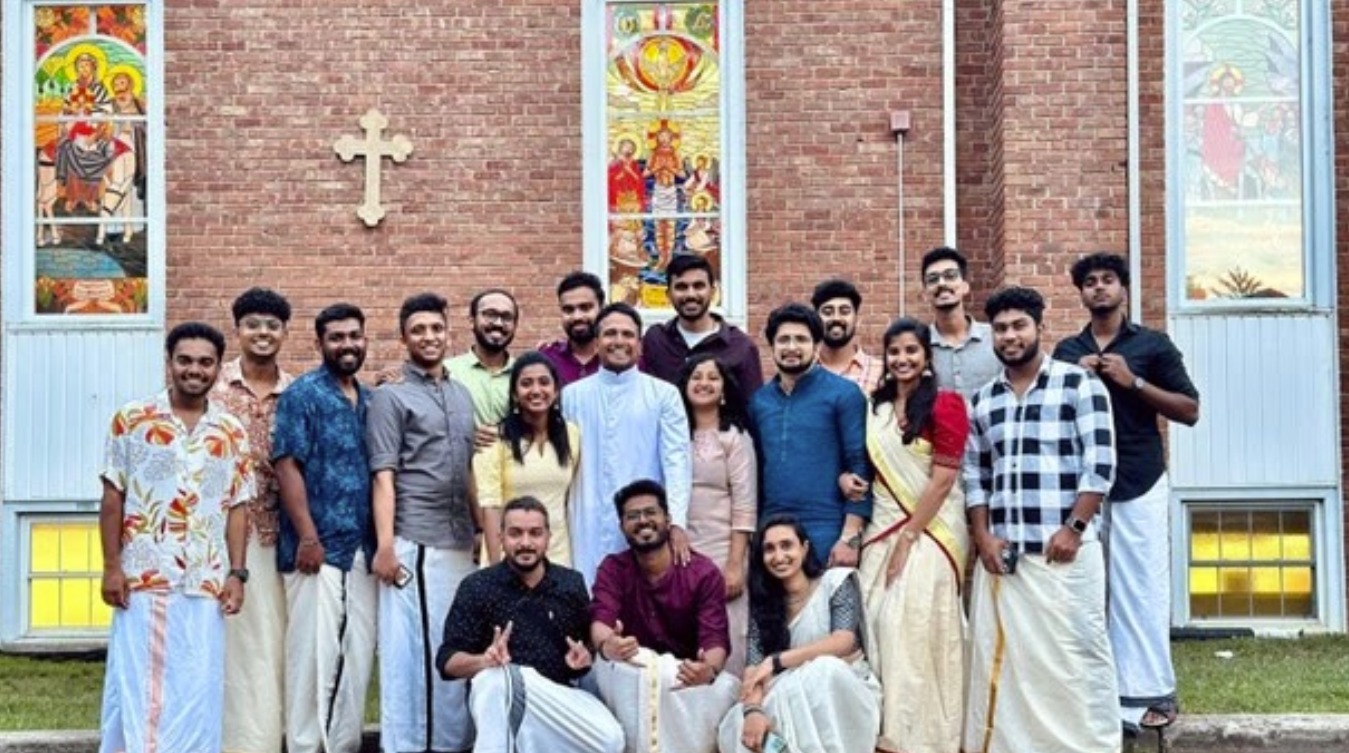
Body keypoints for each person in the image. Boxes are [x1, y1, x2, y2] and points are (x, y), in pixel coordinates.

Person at [962, 286, 1120, 753]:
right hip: (1007, 560)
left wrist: (1074, 528)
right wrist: (982, 536)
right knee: (1014, 670)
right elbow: (975, 475)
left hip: (1064, 557)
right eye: (1001, 329)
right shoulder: (984, 399)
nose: (1010, 337)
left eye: (1018, 326)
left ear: (1038, 328)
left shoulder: (1078, 384)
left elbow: (1102, 464)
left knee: (1078, 661)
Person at [1053, 253, 1201, 733]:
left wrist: (1132, 380)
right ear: (1081, 293)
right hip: (1083, 487)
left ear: (1124, 289)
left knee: (1142, 586)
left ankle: (1149, 693)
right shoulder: (1065, 349)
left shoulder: (1152, 346)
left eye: (1108, 280)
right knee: (1088, 589)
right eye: (1090, 282)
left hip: (1139, 478)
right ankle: (1096, 693)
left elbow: (1189, 409)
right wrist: (1070, 377)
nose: (1099, 288)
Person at [98, 322, 253, 753]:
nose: (194, 370)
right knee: (142, 690)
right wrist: (111, 567)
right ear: (170, 362)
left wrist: (238, 573)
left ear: (218, 368)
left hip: (204, 581)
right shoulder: (132, 419)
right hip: (143, 578)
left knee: (198, 689)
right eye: (185, 360)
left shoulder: (230, 432)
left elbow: (237, 507)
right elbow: (113, 497)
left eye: (205, 362)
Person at [367, 293, 478, 753]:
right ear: (404, 338)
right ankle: (408, 745)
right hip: (415, 540)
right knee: (410, 654)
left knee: (453, 647)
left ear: (448, 332)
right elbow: (383, 476)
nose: (429, 337)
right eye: (419, 330)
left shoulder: (460, 393)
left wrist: (480, 534)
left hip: (457, 541)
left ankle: (451, 744)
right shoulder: (390, 396)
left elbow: (471, 469)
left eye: (437, 329)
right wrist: (386, 545)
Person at [856, 318, 970, 753]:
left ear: (926, 357)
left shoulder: (946, 404)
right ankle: (884, 731)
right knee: (875, 621)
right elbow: (871, 467)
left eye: (911, 351)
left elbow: (943, 480)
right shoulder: (875, 407)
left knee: (916, 623)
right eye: (894, 352)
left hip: (933, 530)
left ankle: (926, 738)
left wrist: (909, 537)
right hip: (882, 524)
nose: (902, 359)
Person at [437, 496, 625, 753]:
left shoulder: (570, 583)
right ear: (501, 536)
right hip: (499, 694)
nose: (526, 543)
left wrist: (584, 658)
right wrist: (485, 661)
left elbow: (585, 652)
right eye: (515, 533)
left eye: (535, 533)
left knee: (610, 740)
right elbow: (447, 662)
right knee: (497, 679)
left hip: (556, 699)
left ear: (548, 537)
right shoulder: (478, 587)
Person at [272, 303, 377, 753]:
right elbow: (287, 465)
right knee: (315, 664)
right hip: (316, 551)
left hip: (362, 551)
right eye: (337, 337)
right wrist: (308, 536)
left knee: (354, 660)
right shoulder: (304, 394)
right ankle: (305, 747)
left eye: (354, 335)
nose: (347, 344)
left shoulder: (370, 399)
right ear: (319, 344)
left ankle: (343, 745)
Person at [590, 479, 740, 753]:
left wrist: (710, 670)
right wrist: (607, 645)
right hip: (632, 674)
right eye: (633, 516)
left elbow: (715, 638)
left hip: (684, 678)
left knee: (725, 688)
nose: (643, 521)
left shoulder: (702, 573)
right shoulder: (613, 569)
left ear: (668, 519)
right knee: (615, 670)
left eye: (651, 513)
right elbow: (601, 622)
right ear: (622, 525)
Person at [717, 515, 881, 753]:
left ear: (804, 549)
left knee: (824, 669)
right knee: (736, 723)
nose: (779, 556)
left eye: (786, 545)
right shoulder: (763, 606)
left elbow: (843, 641)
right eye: (769, 549)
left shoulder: (835, 582)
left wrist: (776, 661)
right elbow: (754, 670)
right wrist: (753, 711)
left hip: (842, 690)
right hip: (788, 687)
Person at [214, 289, 294, 753]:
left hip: (285, 535)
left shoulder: (299, 390)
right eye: (253, 324)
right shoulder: (213, 387)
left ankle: (278, 738)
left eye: (272, 326)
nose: (262, 333)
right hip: (227, 537)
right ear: (238, 330)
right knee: (238, 648)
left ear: (284, 333)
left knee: (279, 645)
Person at [563, 303, 692, 586]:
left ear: (640, 344)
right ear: (596, 342)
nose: (618, 341)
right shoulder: (571, 396)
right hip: (585, 522)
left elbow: (677, 462)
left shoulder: (663, 395)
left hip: (645, 526)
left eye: (627, 334)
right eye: (610, 334)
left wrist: (677, 521)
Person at [748, 303, 871, 570]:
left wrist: (850, 537)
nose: (792, 347)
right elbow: (755, 472)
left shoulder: (844, 394)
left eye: (801, 339)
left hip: (827, 530)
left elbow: (859, 467)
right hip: (773, 534)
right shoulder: (759, 402)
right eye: (783, 339)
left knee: (832, 611)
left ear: (816, 345)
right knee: (776, 612)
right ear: (772, 346)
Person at [678, 353, 757, 675]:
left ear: (724, 389)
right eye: (696, 377)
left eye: (712, 377)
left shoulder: (735, 438)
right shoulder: (673, 435)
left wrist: (735, 565)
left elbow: (745, 503)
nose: (704, 383)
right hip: (681, 550)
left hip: (725, 550)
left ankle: (731, 707)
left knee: (729, 631)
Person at [475, 351, 581, 565]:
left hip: (558, 556)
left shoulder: (571, 434)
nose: (536, 390)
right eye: (526, 384)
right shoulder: (494, 439)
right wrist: (497, 571)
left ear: (556, 390)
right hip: (510, 558)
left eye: (544, 382)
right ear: (514, 394)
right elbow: (490, 507)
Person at [641, 254, 763, 393]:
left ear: (712, 291)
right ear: (668, 294)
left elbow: (753, 407)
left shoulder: (741, 346)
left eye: (698, 286)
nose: (691, 294)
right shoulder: (656, 340)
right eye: (681, 287)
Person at [919, 247, 1001, 399]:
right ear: (925, 294)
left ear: (965, 286)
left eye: (950, 276)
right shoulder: (919, 346)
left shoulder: (995, 337)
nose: (941, 283)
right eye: (932, 279)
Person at [446, 288, 519, 427]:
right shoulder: (447, 372)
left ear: (515, 326)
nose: (498, 323)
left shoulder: (525, 375)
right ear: (471, 321)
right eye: (490, 314)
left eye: (507, 317)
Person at [811, 278, 883, 394]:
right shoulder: (803, 372)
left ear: (857, 319)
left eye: (844, 311)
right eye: (828, 312)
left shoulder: (880, 373)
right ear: (815, 319)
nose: (836, 318)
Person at [540, 271, 605, 387]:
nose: (577, 317)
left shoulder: (619, 358)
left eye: (585, 308)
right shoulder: (546, 359)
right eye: (568, 310)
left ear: (602, 308)